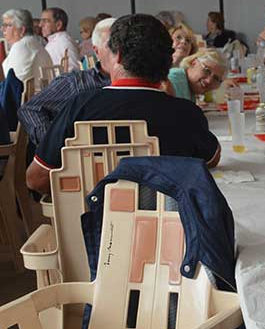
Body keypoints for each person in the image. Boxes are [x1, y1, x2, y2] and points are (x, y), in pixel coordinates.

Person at [27, 14, 221, 194]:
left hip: (91, 223)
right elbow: (212, 158)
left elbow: (36, 179)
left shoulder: (80, 106)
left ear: (117, 55)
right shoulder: (186, 113)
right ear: (168, 61)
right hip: (167, 225)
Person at [19, 18, 117, 146]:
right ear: (97, 51)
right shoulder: (77, 83)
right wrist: (55, 146)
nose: (122, 51)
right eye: (113, 46)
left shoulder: (146, 83)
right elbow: (31, 109)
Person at [1, 8, 53, 83]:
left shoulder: (22, 46)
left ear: (22, 30)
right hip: (42, 93)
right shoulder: (34, 43)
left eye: (7, 25)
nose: (2, 29)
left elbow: (11, 84)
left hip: (30, 94)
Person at [41, 7, 81, 72]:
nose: (40, 25)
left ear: (58, 25)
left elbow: (74, 70)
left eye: (45, 21)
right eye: (41, 21)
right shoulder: (56, 40)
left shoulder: (63, 41)